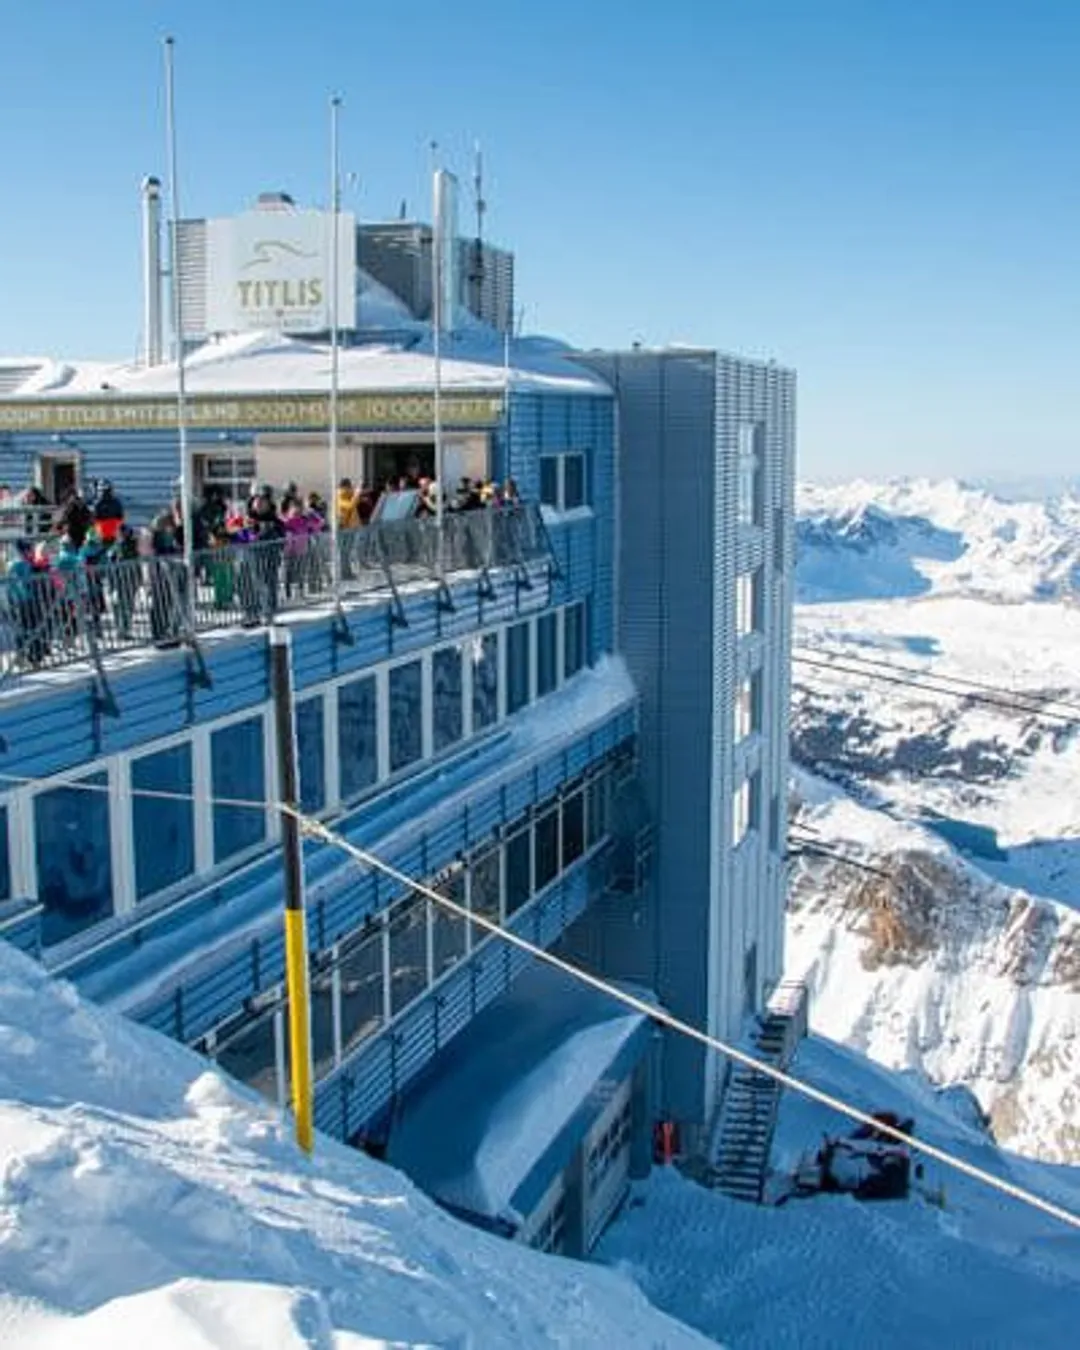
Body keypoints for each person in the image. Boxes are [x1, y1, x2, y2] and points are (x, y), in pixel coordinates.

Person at [92, 480, 124, 545]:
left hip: (105, 530)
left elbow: (94, 518)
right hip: (111, 530)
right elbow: (120, 516)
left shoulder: (97, 503)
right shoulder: (116, 502)